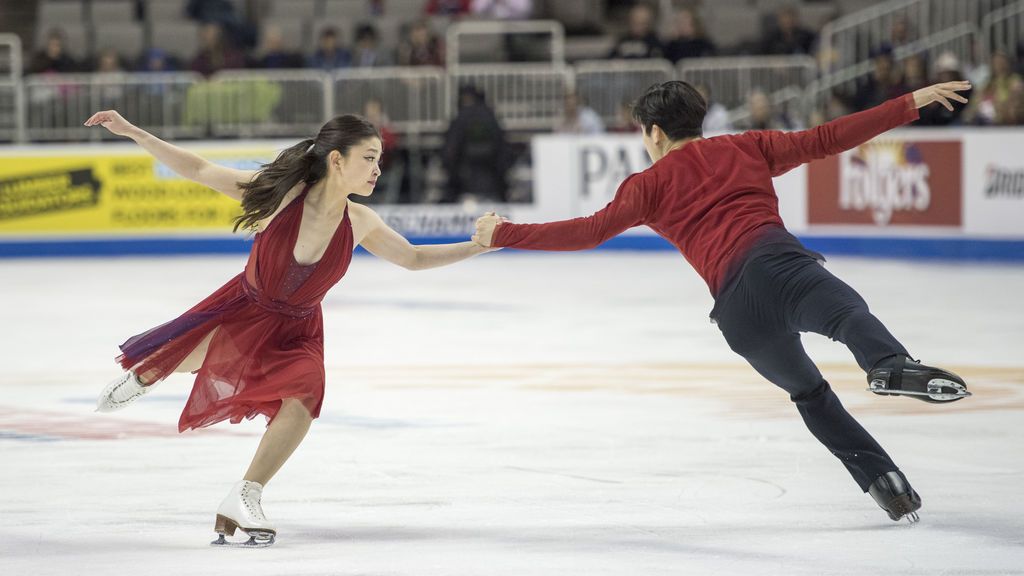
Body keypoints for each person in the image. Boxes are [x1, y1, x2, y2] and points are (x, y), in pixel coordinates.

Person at [472, 79, 973, 523]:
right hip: (779, 266)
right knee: (846, 313)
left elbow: (587, 231)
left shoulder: (646, 185)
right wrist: (908, 103)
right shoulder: (746, 147)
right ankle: (889, 365)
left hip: (737, 315)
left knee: (810, 395)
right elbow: (827, 139)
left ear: (653, 133)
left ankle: (886, 483)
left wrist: (504, 233)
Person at [85, 110, 495, 546]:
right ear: (337, 160)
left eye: (379, 159)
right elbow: (201, 169)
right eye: (369, 158)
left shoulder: (361, 222)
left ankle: (244, 495)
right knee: (183, 359)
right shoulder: (281, 195)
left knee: (304, 397)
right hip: (245, 309)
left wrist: (478, 247)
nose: (377, 169)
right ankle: (148, 373)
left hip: (299, 331)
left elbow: (413, 258)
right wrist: (131, 131)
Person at [441, 85, 510, 203]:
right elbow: (502, 149)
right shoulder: (490, 117)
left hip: (466, 182)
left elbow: (450, 151)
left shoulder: (461, 118)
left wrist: (451, 172)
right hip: (491, 181)